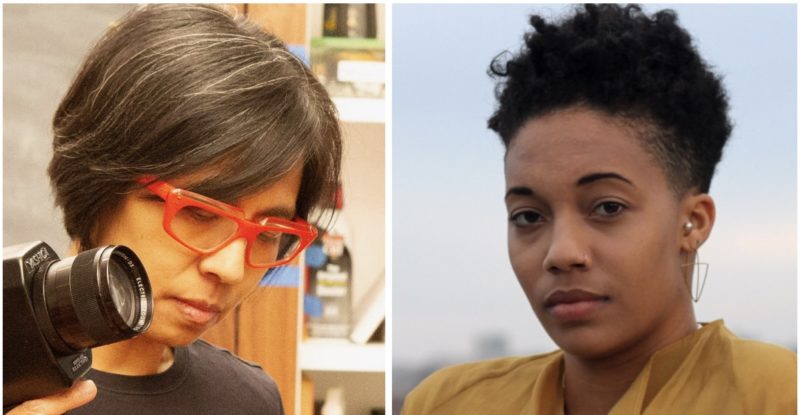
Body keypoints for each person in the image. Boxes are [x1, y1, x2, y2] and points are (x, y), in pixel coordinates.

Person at [403, 4, 795, 414]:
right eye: (528, 216)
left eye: (607, 207)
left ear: (693, 222)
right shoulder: (449, 403)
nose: (561, 253)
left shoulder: (775, 395)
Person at [10, 4, 341, 415]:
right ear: (99, 183)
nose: (232, 268)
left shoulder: (248, 400)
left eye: (268, 232)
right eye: (199, 213)